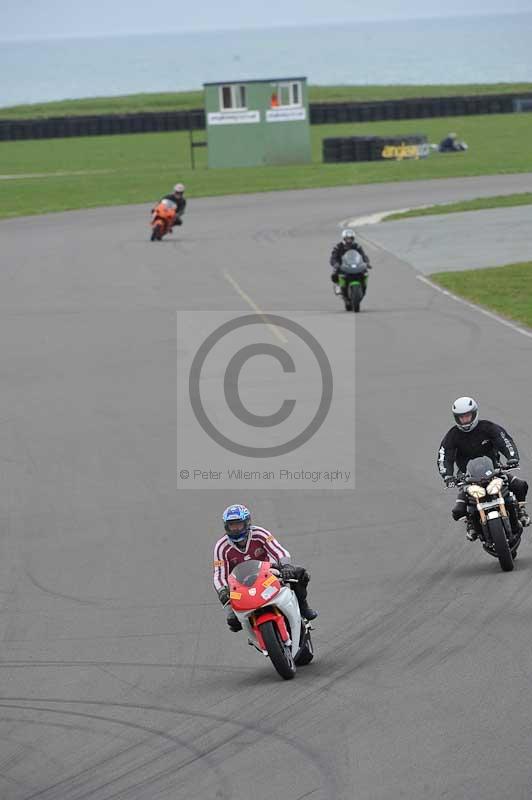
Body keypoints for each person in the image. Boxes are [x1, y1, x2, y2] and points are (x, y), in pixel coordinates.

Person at [213, 504, 317, 632]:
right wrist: (223, 591)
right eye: (232, 525)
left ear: (247, 523)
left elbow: (278, 550)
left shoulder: (260, 533)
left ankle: (303, 606)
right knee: (233, 622)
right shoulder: (221, 546)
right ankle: (252, 632)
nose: (235, 529)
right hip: (240, 583)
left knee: (300, 573)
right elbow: (219, 574)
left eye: (238, 524)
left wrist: (286, 566)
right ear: (226, 527)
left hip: (267, 571)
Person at [437, 396, 530, 540]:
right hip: (468, 477)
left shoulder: (488, 427)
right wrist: (447, 476)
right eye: (461, 417)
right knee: (458, 510)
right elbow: (444, 456)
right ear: (456, 418)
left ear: (474, 414)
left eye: (467, 416)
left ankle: (521, 510)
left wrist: (512, 458)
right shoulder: (452, 436)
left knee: (520, 485)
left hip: (495, 471)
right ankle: (471, 524)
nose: (465, 420)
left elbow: (504, 440)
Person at [330, 228, 372, 304]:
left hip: (356, 265)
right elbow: (333, 257)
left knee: (365, 272)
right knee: (334, 274)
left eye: (351, 238)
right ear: (344, 238)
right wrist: (335, 263)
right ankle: (339, 287)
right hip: (342, 266)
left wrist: (367, 262)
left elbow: (363, 255)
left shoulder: (357, 246)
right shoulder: (338, 246)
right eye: (347, 238)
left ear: (353, 238)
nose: (349, 240)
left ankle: (363, 287)